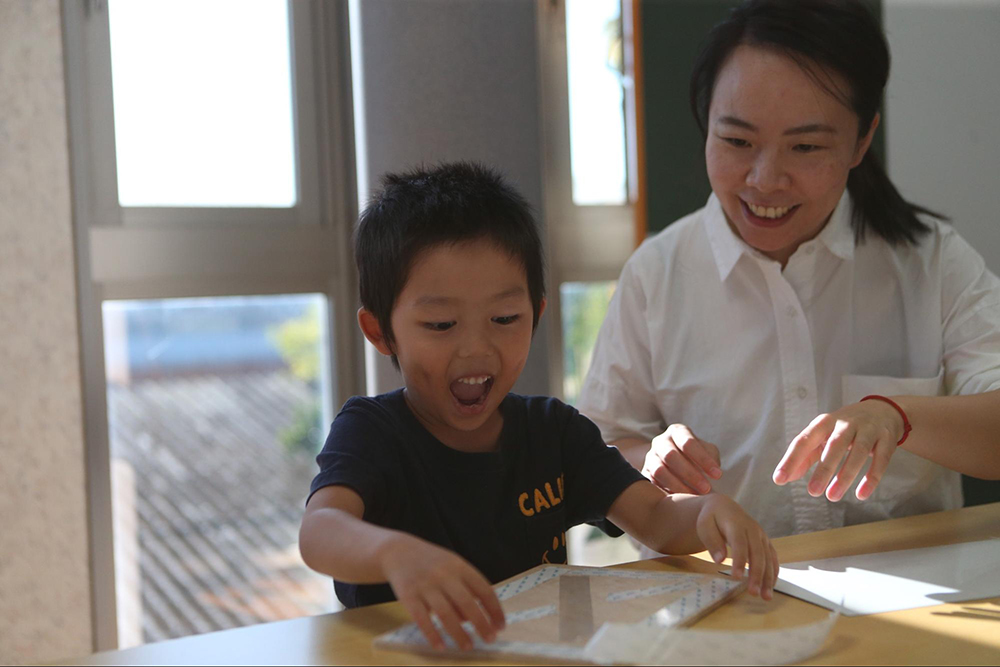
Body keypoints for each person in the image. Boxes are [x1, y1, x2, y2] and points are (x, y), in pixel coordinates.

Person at [299, 162, 778, 651]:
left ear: (537, 314)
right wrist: (392, 553)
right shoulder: (372, 432)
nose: (476, 349)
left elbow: (655, 518)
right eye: (442, 324)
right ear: (380, 331)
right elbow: (319, 531)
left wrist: (704, 513)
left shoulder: (555, 433)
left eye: (505, 318)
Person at [577, 0, 1000, 543]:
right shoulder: (656, 276)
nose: (765, 179)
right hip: (723, 599)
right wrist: (652, 461)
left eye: (804, 146)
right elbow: (596, 451)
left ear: (861, 140)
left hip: (908, 606)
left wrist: (898, 415)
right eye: (737, 141)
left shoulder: (931, 261)